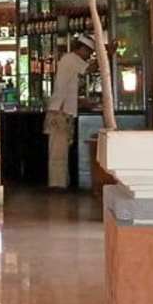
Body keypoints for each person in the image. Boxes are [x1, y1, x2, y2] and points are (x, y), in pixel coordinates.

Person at [43, 36, 95, 190]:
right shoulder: (71, 59)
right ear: (82, 49)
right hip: (60, 112)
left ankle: (61, 183)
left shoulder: (69, 60)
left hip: (62, 111)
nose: (89, 56)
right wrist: (107, 55)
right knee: (58, 152)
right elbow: (89, 69)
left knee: (61, 151)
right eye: (89, 52)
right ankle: (57, 185)